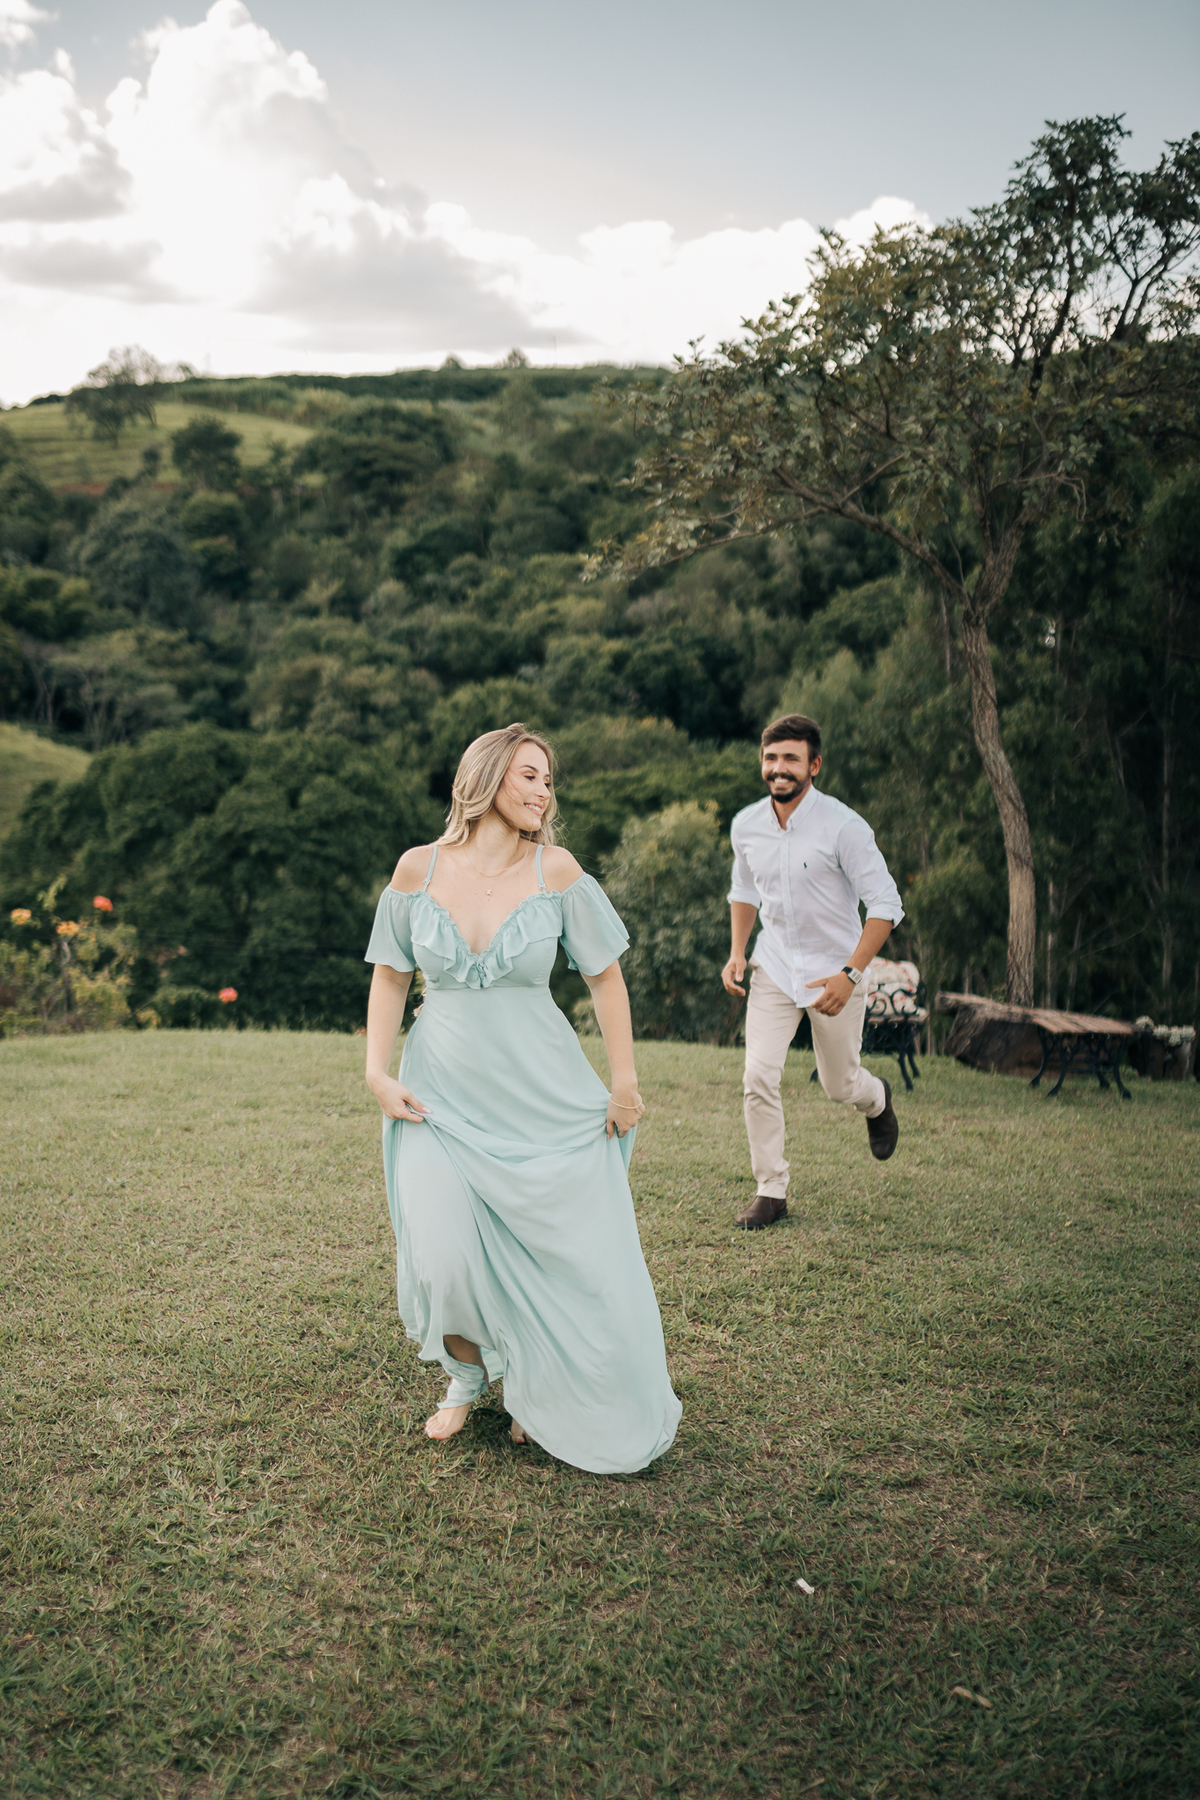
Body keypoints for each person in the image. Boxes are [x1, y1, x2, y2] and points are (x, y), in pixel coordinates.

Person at [363, 722, 681, 1474]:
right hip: (438, 1095)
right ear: (486, 778)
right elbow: (391, 974)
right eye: (529, 775)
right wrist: (377, 1071)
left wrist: (625, 1081)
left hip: (541, 1094)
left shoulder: (556, 871)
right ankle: (468, 1373)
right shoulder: (417, 868)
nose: (544, 791)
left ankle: (534, 1389)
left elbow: (605, 977)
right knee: (441, 1253)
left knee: (555, 1254)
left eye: (548, 778)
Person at [722, 713, 904, 1231]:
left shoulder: (844, 827)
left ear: (814, 765)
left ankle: (877, 1099)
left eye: (791, 758)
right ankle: (771, 1190)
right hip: (775, 966)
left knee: (839, 1085)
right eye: (770, 758)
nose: (778, 768)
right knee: (758, 1075)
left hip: (835, 975)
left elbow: (886, 905)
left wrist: (850, 973)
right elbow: (744, 891)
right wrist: (737, 953)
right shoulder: (746, 825)